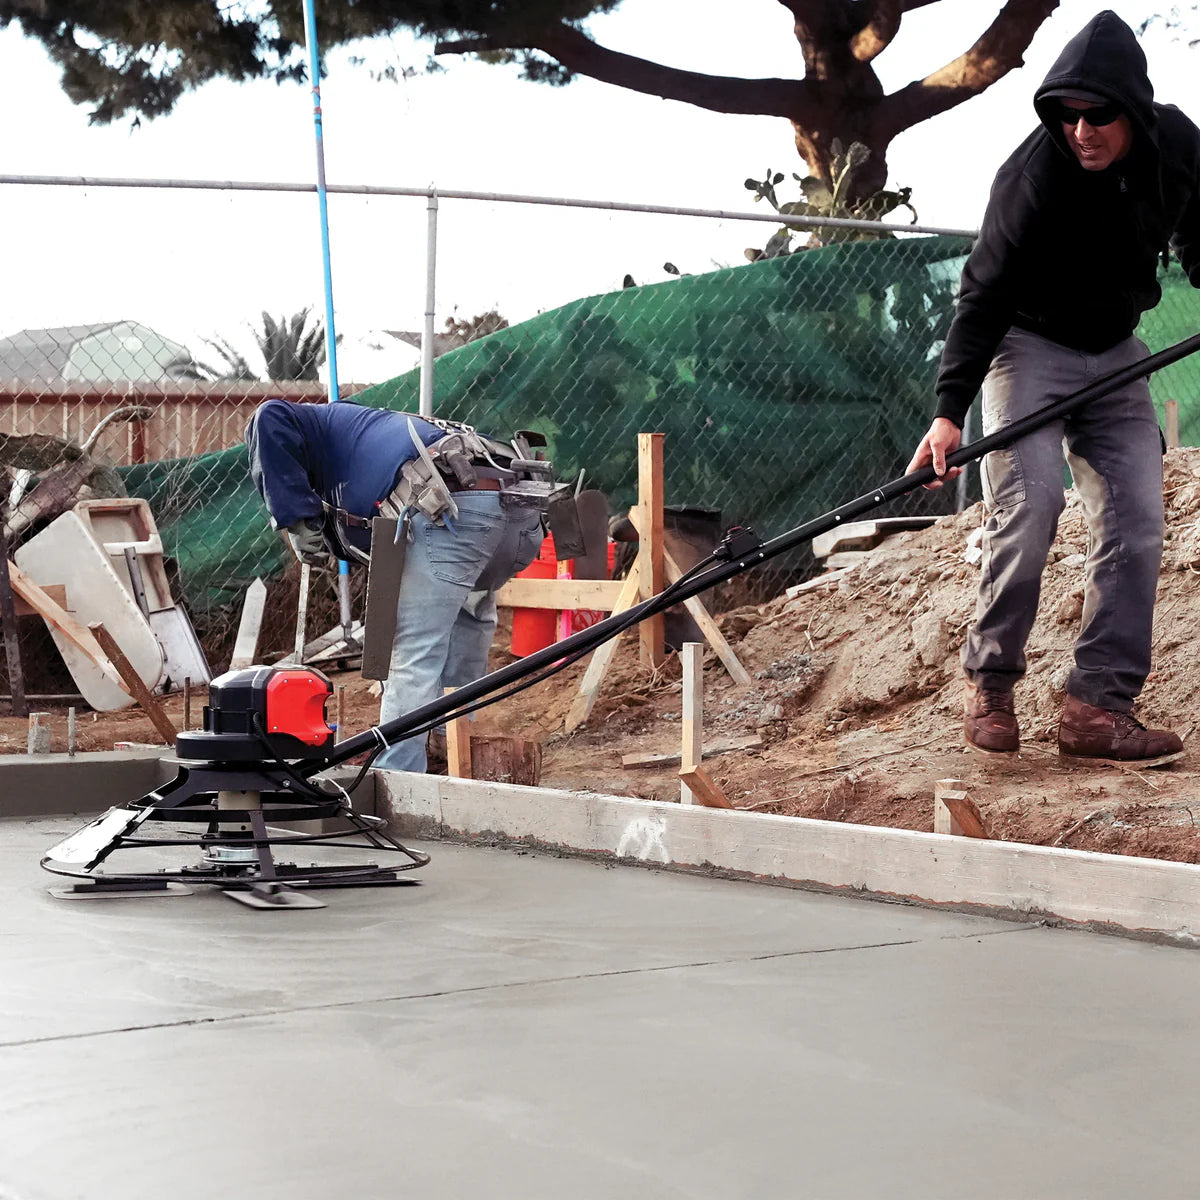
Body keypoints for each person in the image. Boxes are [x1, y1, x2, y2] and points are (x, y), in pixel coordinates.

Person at [905, 10, 1200, 765]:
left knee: (1138, 518)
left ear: (1132, 109)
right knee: (1031, 500)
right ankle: (991, 683)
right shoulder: (1031, 176)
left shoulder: (1176, 145)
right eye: (1067, 116)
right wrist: (948, 413)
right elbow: (982, 296)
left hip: (1116, 352)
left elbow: (1199, 233)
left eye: (1098, 115)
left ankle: (1098, 707)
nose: (1081, 131)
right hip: (1028, 347)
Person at [246, 398, 544, 772]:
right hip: (518, 512)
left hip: (452, 509)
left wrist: (295, 516)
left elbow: (268, 416)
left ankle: (400, 775)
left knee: (414, 653)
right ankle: (451, 743)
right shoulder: (358, 431)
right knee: (468, 622)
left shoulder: (291, 422)